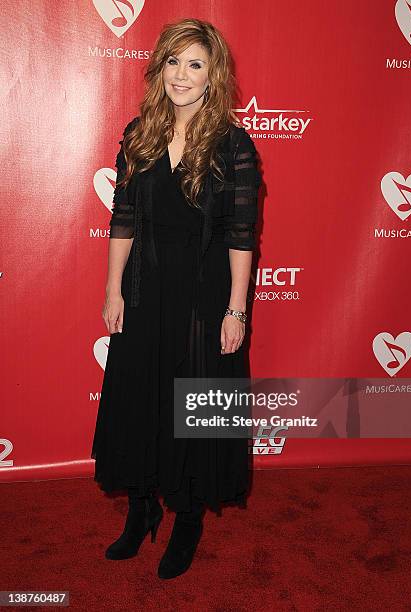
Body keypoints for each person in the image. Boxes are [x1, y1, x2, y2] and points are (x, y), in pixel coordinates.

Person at [91, 17, 262, 579]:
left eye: (196, 64)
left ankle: (187, 515)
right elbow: (124, 218)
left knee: (193, 405)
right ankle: (142, 511)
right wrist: (113, 289)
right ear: (159, 67)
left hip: (203, 296)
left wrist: (237, 309)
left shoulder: (233, 143)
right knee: (140, 398)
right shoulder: (139, 133)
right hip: (144, 289)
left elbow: (241, 235)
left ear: (213, 76)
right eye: (174, 62)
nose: (182, 75)